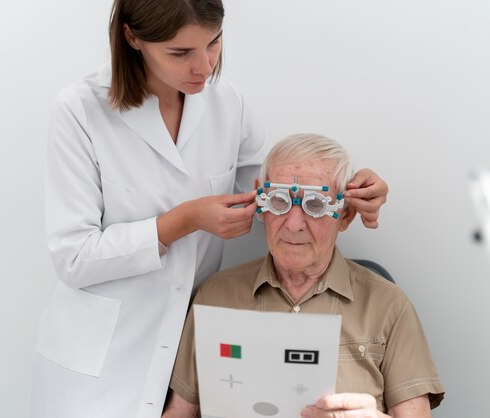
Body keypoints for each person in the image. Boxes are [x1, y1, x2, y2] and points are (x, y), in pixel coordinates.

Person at [30, 1, 388, 418]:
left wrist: (350, 188)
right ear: (133, 38)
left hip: (186, 352)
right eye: (180, 53)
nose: (204, 67)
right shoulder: (80, 111)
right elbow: (73, 257)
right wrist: (184, 221)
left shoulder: (225, 102)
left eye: (213, 43)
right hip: (98, 363)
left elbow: (273, 194)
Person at [163, 133, 444, 418]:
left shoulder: (389, 306)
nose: (294, 225)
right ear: (261, 203)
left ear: (345, 215)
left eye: (315, 204)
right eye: (279, 200)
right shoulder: (215, 297)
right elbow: (179, 412)